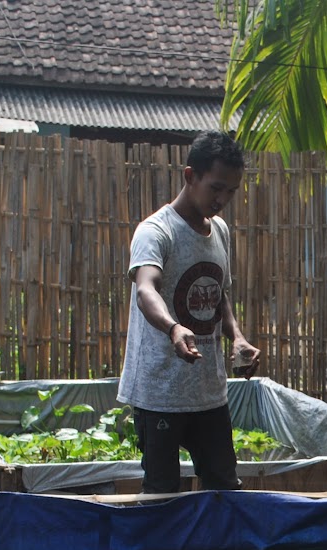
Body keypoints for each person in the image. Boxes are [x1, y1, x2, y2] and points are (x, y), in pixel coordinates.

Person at [118, 130, 260, 493]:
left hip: (209, 392)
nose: (223, 199)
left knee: (224, 489)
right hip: (160, 392)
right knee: (162, 495)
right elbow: (146, 288)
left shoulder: (221, 231)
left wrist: (237, 337)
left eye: (231, 191)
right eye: (216, 188)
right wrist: (173, 328)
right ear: (189, 176)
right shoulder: (156, 232)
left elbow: (218, 294)